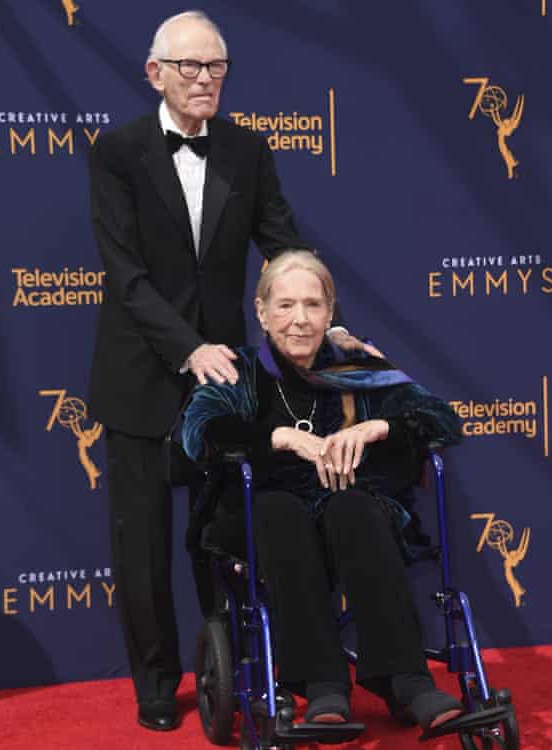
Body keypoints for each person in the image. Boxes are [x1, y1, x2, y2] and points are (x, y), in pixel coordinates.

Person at [88, 11, 376, 732]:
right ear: (155, 73)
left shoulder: (248, 150)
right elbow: (126, 276)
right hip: (141, 377)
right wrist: (187, 347)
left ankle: (234, 664)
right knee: (144, 542)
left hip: (224, 385)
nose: (206, 79)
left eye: (217, 67)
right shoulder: (117, 151)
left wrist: (326, 319)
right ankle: (156, 683)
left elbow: (281, 243)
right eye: (191, 67)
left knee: (223, 534)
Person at [182, 250, 464, 731]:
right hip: (268, 516)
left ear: (330, 313)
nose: (299, 319)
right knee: (279, 513)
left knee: (351, 508)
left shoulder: (360, 368)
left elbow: (443, 418)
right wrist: (280, 437)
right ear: (261, 310)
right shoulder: (241, 371)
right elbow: (197, 432)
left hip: (354, 511)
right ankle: (322, 686)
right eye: (286, 305)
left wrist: (376, 428)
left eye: (312, 305)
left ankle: (406, 680)